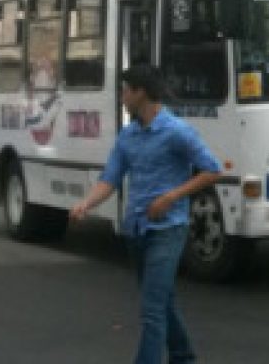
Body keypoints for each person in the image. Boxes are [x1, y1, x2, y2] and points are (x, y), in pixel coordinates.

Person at [70, 65, 222, 364]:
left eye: (125, 90)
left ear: (140, 92)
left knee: (151, 310)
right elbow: (109, 179)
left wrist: (171, 197)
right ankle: (183, 356)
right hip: (136, 230)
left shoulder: (177, 131)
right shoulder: (128, 136)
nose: (122, 97)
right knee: (161, 301)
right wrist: (86, 204)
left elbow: (212, 170)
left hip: (169, 229)